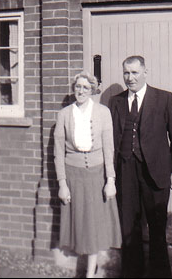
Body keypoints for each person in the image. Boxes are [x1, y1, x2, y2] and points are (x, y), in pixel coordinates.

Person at [109, 56, 172, 278]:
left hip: (157, 172)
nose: (130, 78)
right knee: (129, 227)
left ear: (145, 72)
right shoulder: (115, 101)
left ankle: (160, 274)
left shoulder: (164, 99)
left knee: (157, 227)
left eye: (134, 72)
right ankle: (131, 273)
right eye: (126, 73)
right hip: (126, 171)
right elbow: (111, 138)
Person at [54, 71, 122, 278]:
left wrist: (110, 180)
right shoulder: (64, 114)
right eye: (78, 86)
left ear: (92, 90)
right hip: (73, 175)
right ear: (74, 88)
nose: (81, 91)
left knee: (93, 223)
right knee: (79, 221)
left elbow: (109, 148)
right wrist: (62, 184)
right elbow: (58, 151)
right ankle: (85, 266)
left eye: (85, 87)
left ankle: (90, 273)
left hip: (96, 174)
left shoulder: (103, 112)